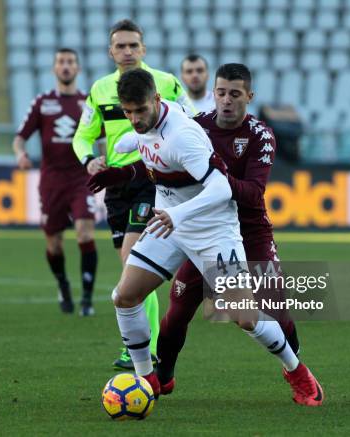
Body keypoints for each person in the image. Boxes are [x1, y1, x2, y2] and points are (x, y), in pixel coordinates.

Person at [89, 64, 325, 406]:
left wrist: (176, 213)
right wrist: (121, 174)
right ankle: (147, 380)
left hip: (213, 229)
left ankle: (296, 370)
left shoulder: (184, 133)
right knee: (124, 296)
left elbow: (218, 189)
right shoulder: (149, 124)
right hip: (170, 224)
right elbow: (152, 155)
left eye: (140, 111)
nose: (135, 119)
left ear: (156, 100)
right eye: (128, 112)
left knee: (244, 316)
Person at [72, 19, 194, 369]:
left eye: (133, 45)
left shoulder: (166, 83)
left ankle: (144, 349)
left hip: (153, 177)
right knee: (131, 266)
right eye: (120, 46)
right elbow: (82, 136)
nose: (127, 51)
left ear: (143, 49)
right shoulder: (99, 90)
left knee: (132, 259)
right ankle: (146, 341)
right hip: (116, 185)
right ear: (110, 51)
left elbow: (195, 119)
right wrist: (88, 159)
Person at [13, 48, 97, 317]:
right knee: (54, 243)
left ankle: (87, 298)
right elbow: (20, 137)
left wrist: (106, 159)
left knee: (85, 232)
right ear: (54, 69)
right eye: (61, 62)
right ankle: (63, 284)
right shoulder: (42, 102)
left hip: (81, 178)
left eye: (71, 62)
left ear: (78, 68)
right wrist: (21, 153)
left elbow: (106, 136)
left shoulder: (89, 103)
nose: (65, 66)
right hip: (51, 181)